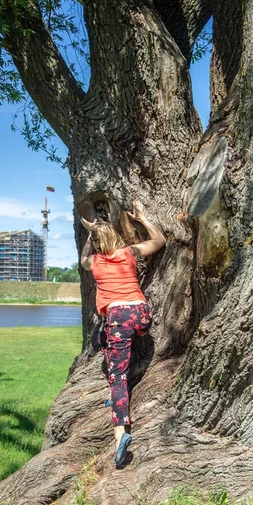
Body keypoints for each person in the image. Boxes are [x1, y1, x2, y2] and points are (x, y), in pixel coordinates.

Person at [81, 200, 165, 468]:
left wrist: (89, 235)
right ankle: (119, 390)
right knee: (101, 338)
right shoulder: (128, 253)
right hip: (141, 315)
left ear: (95, 242)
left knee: (117, 377)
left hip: (118, 318)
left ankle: (121, 436)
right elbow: (159, 240)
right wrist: (141, 217)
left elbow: (82, 260)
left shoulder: (93, 261)